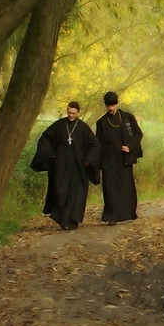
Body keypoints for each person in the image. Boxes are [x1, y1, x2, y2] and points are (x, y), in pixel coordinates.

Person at [30, 101, 100, 230]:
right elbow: (45, 138)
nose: (71, 115)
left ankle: (72, 221)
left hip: (79, 168)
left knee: (76, 194)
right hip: (61, 167)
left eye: (73, 113)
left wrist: (89, 160)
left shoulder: (83, 128)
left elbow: (95, 145)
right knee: (61, 192)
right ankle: (63, 220)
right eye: (69, 112)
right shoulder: (59, 125)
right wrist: (50, 153)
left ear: (78, 113)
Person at [95, 91, 143, 224]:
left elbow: (138, 134)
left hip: (124, 158)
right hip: (108, 159)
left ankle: (128, 213)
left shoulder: (127, 118)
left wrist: (129, 146)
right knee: (110, 188)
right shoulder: (102, 122)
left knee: (125, 187)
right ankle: (112, 217)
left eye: (113, 105)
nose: (111, 108)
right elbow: (98, 143)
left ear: (117, 103)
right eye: (108, 106)